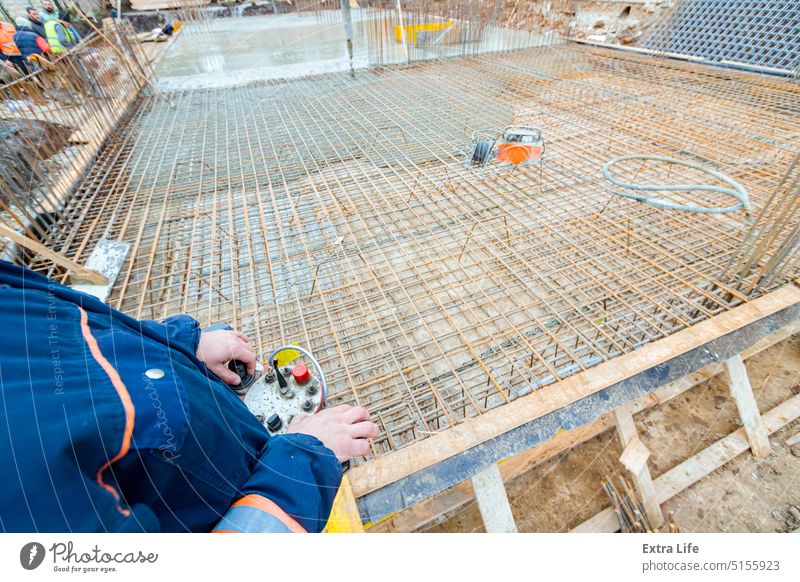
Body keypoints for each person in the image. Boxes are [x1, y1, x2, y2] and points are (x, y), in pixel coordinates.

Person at [0, 260, 379, 532]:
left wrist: (181, 345)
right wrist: (304, 460)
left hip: (260, 461)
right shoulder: (23, 509)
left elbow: (88, 333)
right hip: (281, 494)